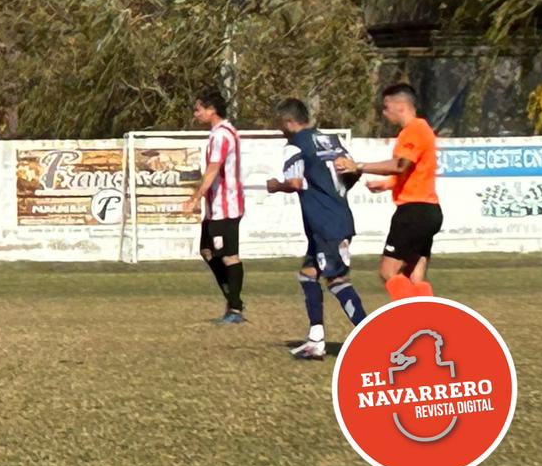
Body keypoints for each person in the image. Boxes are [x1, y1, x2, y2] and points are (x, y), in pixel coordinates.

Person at [266, 98, 367, 359]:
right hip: (336, 217)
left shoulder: (295, 145)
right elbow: (353, 172)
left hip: (325, 223)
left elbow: (295, 182)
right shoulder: (331, 141)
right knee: (307, 275)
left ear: (288, 122)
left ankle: (372, 337)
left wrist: (276, 186)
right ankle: (315, 340)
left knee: (337, 280)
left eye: (280, 124)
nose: (279, 130)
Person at [334, 82, 443, 300]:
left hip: (414, 212)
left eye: (386, 107)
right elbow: (413, 172)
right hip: (429, 212)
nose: (384, 113)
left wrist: (359, 166)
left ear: (400, 105)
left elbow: (400, 165)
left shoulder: (414, 130)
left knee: (388, 272)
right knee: (414, 276)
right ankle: (429, 315)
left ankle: (412, 316)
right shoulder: (423, 129)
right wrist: (386, 184)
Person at [182, 91, 246, 323]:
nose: (196, 113)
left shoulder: (221, 135)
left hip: (226, 206)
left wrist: (195, 198)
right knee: (207, 250)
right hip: (216, 207)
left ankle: (235, 309)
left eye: (199, 109)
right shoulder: (220, 133)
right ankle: (233, 299)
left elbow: (213, 169)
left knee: (229, 256)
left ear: (212, 110)